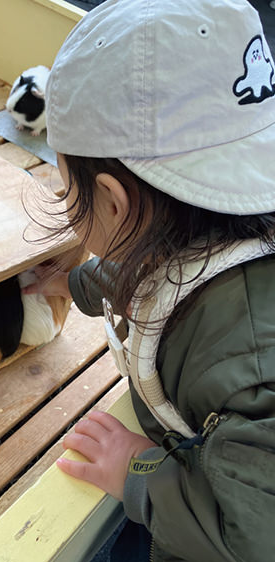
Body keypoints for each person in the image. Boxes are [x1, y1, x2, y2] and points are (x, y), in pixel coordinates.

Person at [22, 1, 275, 561]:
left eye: (67, 193)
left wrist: (137, 472)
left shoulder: (250, 358)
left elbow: (250, 535)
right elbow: (159, 277)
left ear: (112, 202)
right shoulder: (217, 235)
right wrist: (76, 283)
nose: (66, 205)